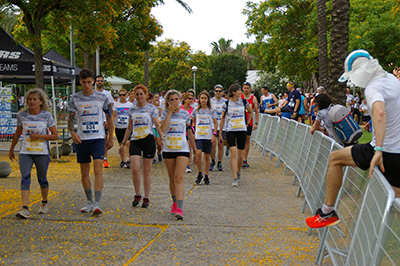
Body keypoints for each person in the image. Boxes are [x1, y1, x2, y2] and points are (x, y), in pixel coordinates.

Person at [306, 49, 400, 228]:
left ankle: (327, 213)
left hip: (384, 151)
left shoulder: (373, 87)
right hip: (397, 153)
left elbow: (379, 113)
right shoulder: (391, 80)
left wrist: (378, 149)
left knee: (335, 158)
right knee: (396, 202)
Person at [68, 69, 114, 215]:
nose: (87, 85)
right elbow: (70, 118)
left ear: (93, 81)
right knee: (84, 171)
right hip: (82, 139)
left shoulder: (102, 97)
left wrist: (111, 137)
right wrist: (72, 132)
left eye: (89, 82)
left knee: (98, 170)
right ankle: (88, 201)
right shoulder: (75, 98)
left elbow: (110, 117)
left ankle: (97, 203)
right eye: (84, 82)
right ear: (80, 82)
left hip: (98, 138)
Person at [9, 89, 59, 219]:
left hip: (41, 153)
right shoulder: (22, 115)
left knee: (41, 178)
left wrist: (40, 136)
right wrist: (11, 149)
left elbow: (55, 136)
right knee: (25, 178)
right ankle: (24, 207)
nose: (32, 101)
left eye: (35, 99)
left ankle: (44, 202)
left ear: (41, 102)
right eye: (29, 99)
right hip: (25, 152)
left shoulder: (47, 116)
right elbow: (17, 133)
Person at [119, 85, 163, 208]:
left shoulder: (151, 108)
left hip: (148, 140)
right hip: (135, 140)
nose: (139, 96)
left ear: (145, 95)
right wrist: (123, 143)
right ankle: (137, 194)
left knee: (146, 171)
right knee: (135, 169)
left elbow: (156, 124)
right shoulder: (132, 109)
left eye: (141, 94)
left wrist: (162, 137)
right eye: (137, 94)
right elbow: (129, 128)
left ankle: (147, 197)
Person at [161, 90, 197, 220]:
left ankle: (180, 208)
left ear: (180, 100)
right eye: (172, 100)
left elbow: (190, 133)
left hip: (182, 149)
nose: (174, 102)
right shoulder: (165, 113)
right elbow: (163, 129)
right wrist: (170, 112)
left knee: (178, 178)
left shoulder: (185, 114)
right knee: (172, 178)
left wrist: (195, 149)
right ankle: (174, 202)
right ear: (168, 102)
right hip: (169, 149)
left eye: (176, 99)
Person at [220, 84, 253, 187]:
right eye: (239, 90)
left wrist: (247, 123)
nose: (240, 92)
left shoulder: (243, 102)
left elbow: (251, 112)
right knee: (233, 153)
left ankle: (238, 171)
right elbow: (222, 119)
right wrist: (220, 132)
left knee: (240, 156)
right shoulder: (227, 103)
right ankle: (234, 177)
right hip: (230, 130)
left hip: (242, 130)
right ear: (233, 92)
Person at [191, 90, 218, 185]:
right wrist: (193, 132)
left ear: (208, 99)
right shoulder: (196, 110)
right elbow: (192, 122)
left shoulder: (211, 110)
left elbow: (215, 123)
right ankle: (199, 173)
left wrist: (214, 134)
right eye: (201, 98)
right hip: (199, 136)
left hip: (208, 136)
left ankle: (206, 175)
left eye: (205, 98)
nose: (203, 100)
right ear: (199, 99)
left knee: (207, 156)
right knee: (198, 154)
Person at [95, 75, 114, 168]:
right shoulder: (92, 93)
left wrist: (108, 120)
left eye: (101, 81)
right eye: (98, 81)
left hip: (104, 120)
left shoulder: (107, 94)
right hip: (96, 121)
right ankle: (98, 158)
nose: (99, 82)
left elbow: (110, 108)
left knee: (105, 139)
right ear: (95, 82)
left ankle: (105, 158)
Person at [112, 89, 134, 168]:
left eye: (123, 95)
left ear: (126, 95)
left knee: (127, 143)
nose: (122, 97)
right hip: (119, 126)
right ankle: (122, 160)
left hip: (127, 127)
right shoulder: (116, 104)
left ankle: (128, 159)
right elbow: (114, 115)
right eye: (120, 95)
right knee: (121, 145)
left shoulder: (130, 105)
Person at [241, 81, 259, 168]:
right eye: (245, 88)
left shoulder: (253, 98)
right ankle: (240, 157)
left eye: (248, 88)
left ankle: (245, 159)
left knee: (247, 140)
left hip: (249, 122)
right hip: (240, 121)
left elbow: (256, 110)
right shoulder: (239, 97)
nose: (246, 89)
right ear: (242, 88)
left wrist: (256, 122)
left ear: (250, 89)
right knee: (240, 140)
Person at [210, 84, 227, 171]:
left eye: (220, 91)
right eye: (216, 91)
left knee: (220, 144)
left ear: (223, 92)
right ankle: (212, 161)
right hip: (212, 126)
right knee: (213, 144)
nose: (218, 93)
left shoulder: (226, 101)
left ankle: (219, 162)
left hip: (222, 126)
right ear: (214, 92)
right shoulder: (210, 101)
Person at [181, 92, 195, 173]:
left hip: (190, 130)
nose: (190, 100)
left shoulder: (193, 109)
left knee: (189, 147)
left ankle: (188, 165)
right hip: (182, 130)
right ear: (185, 99)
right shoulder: (181, 108)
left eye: (192, 99)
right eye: (189, 98)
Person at [152, 93, 163, 164]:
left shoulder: (161, 106)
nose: (157, 98)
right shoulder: (151, 106)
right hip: (152, 126)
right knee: (153, 141)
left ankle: (159, 152)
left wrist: (158, 106)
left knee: (159, 143)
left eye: (158, 97)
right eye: (155, 97)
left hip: (159, 126)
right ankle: (153, 156)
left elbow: (161, 114)